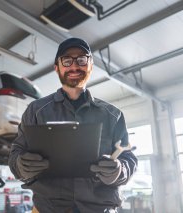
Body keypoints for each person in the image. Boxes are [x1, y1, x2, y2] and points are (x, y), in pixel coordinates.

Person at [8, 37, 138, 213]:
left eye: (82, 60)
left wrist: (119, 171)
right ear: (57, 68)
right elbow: (16, 153)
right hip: (48, 208)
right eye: (67, 60)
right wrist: (21, 165)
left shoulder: (113, 115)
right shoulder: (36, 111)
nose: (75, 66)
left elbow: (129, 160)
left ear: (90, 65)